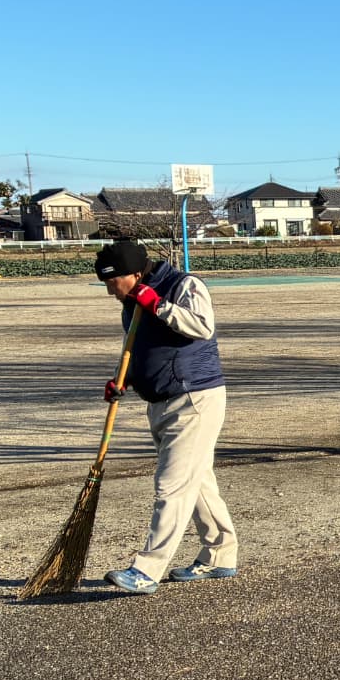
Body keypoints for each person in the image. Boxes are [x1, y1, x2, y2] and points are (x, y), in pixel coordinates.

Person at [93, 237, 238, 594]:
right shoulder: (131, 303)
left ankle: (147, 569)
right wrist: (120, 380)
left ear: (131, 273)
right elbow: (134, 348)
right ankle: (220, 555)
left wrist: (158, 305)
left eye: (113, 283)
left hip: (194, 397)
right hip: (158, 402)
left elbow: (202, 326)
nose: (111, 292)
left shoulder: (184, 285)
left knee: (171, 485)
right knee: (198, 480)